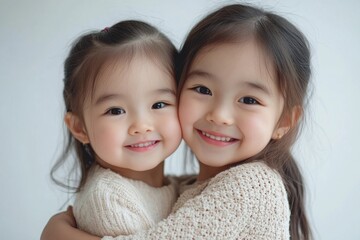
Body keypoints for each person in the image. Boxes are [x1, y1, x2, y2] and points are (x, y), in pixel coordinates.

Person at [41, 3, 312, 240]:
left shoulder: (250, 186)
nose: (219, 115)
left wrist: (57, 235)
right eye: (203, 90)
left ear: (284, 120)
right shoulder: (178, 188)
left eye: (249, 100)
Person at [45, 20, 183, 238]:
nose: (141, 126)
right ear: (80, 127)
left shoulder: (175, 186)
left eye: (159, 105)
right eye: (116, 111)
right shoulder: (109, 201)